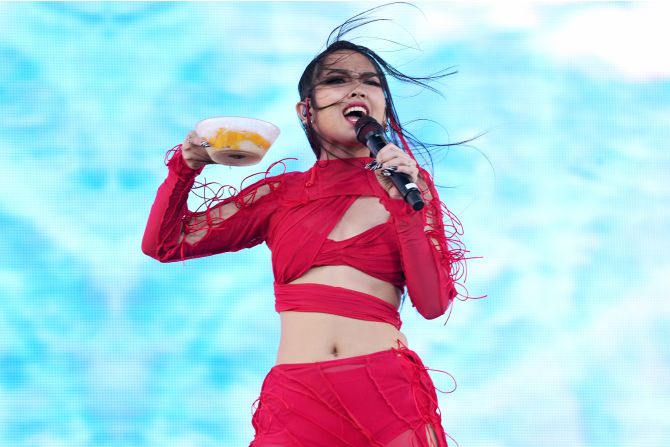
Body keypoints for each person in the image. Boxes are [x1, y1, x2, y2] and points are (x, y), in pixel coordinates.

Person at [142, 18, 467, 447]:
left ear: (382, 108)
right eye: (337, 80)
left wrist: (404, 210)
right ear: (305, 110)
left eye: (371, 83)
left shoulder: (408, 186)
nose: (358, 90)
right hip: (298, 400)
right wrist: (187, 166)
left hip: (386, 395)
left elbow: (432, 303)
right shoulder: (280, 195)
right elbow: (165, 244)